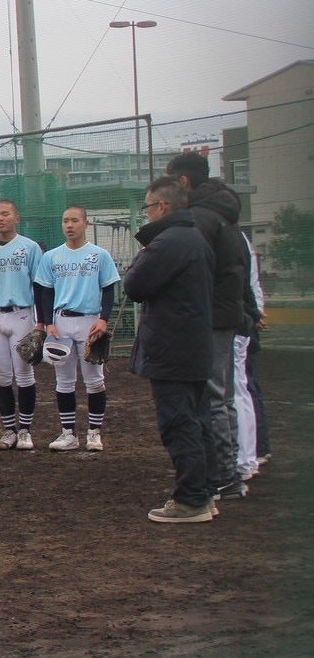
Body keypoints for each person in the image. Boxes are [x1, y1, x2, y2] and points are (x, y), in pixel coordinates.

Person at [124, 176, 217, 523]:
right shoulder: (195, 238)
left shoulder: (169, 241)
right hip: (193, 344)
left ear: (162, 207)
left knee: (179, 423)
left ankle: (191, 500)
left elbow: (134, 284)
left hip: (172, 347)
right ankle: (205, 492)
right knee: (198, 420)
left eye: (148, 207)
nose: (146, 214)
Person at [167, 151, 251, 501]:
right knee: (222, 397)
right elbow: (241, 266)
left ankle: (224, 476)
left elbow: (191, 268)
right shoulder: (223, 213)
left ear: (183, 181)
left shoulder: (200, 218)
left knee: (213, 398)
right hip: (226, 314)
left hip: (210, 316)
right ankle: (229, 473)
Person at [33, 207, 120, 452]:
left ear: (86, 223)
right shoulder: (52, 256)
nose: (69, 225)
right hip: (61, 322)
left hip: (90, 321)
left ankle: (94, 433)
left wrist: (104, 319)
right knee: (64, 381)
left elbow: (109, 289)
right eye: (65, 221)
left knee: (94, 381)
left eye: (74, 220)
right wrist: (48, 322)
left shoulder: (99, 255)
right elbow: (46, 292)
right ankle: (68, 433)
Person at [0, 199, 46, 450]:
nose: (0, 218)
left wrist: (41, 322)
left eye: (5, 214)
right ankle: (8, 430)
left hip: (22, 314)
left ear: (17, 218)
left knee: (24, 375)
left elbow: (39, 286)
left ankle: (24, 430)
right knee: (1, 377)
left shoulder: (30, 247)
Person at [235, 233, 268, 480]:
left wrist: (256, 311)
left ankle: (255, 450)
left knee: (243, 386)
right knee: (245, 386)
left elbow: (248, 282)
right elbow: (251, 281)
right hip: (245, 316)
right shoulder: (238, 236)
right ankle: (256, 450)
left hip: (240, 319)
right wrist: (257, 311)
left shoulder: (231, 236)